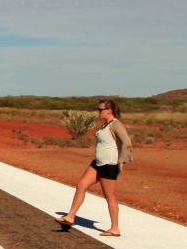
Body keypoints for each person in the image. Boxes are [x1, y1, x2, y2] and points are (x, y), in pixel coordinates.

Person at [55, 99, 133, 237]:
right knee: (81, 185)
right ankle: (70, 216)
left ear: (109, 110)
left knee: (109, 196)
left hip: (109, 164)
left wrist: (122, 160)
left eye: (101, 109)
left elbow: (126, 141)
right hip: (97, 162)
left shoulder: (116, 125)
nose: (99, 112)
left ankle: (115, 228)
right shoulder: (105, 125)